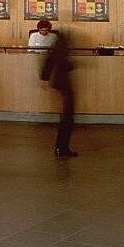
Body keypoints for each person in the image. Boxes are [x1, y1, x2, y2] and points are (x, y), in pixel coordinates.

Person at [36, 22, 78, 157]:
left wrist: (45, 78)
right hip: (63, 83)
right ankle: (62, 147)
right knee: (67, 116)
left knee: (67, 116)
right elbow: (54, 60)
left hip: (61, 82)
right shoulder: (63, 42)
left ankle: (62, 147)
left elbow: (51, 60)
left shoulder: (61, 41)